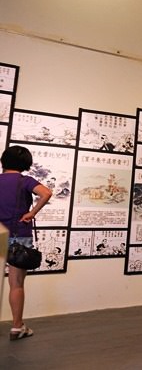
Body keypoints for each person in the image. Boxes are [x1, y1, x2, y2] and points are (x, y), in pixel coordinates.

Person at [1, 145, 52, 341]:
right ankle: (17, 327)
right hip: (18, 235)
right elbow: (46, 193)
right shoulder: (25, 181)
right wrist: (31, 213)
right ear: (25, 164)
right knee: (16, 284)